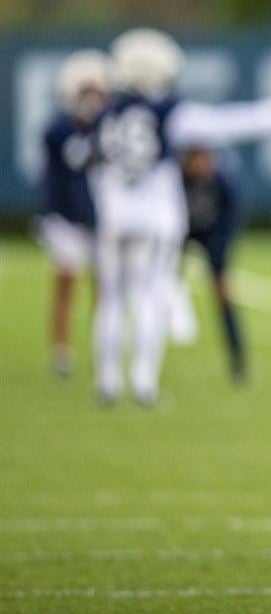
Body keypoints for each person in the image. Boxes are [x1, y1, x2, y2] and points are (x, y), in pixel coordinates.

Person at [90, 28, 271, 406]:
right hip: (154, 216)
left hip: (114, 214)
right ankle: (143, 383)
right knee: (149, 295)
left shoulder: (107, 115)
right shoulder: (168, 112)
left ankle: (107, 382)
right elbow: (224, 124)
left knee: (111, 299)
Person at [40, 49, 109, 377]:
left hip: (99, 219)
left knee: (105, 285)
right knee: (66, 281)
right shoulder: (58, 130)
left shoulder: (109, 127)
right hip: (66, 218)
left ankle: (102, 346)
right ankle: (62, 351)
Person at [179, 146, 247, 383]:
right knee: (155, 288)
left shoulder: (222, 183)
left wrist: (218, 258)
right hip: (179, 234)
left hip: (212, 236)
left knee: (223, 293)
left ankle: (238, 360)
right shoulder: (176, 180)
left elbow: (228, 223)